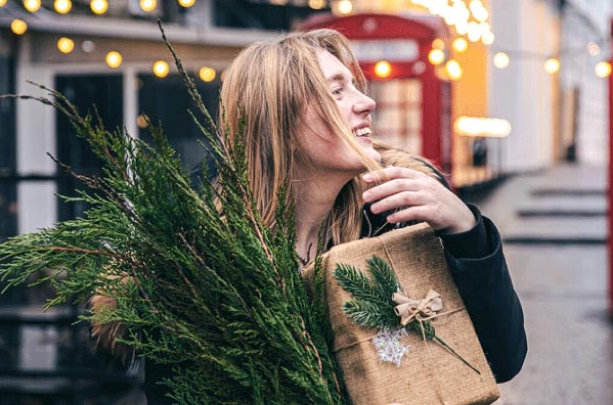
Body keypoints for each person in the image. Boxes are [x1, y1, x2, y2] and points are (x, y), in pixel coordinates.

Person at [98, 29, 527, 403]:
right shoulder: (203, 262)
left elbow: (502, 359)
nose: (366, 103)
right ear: (279, 123)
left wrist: (467, 230)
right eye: (337, 91)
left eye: (355, 87)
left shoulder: (396, 217)